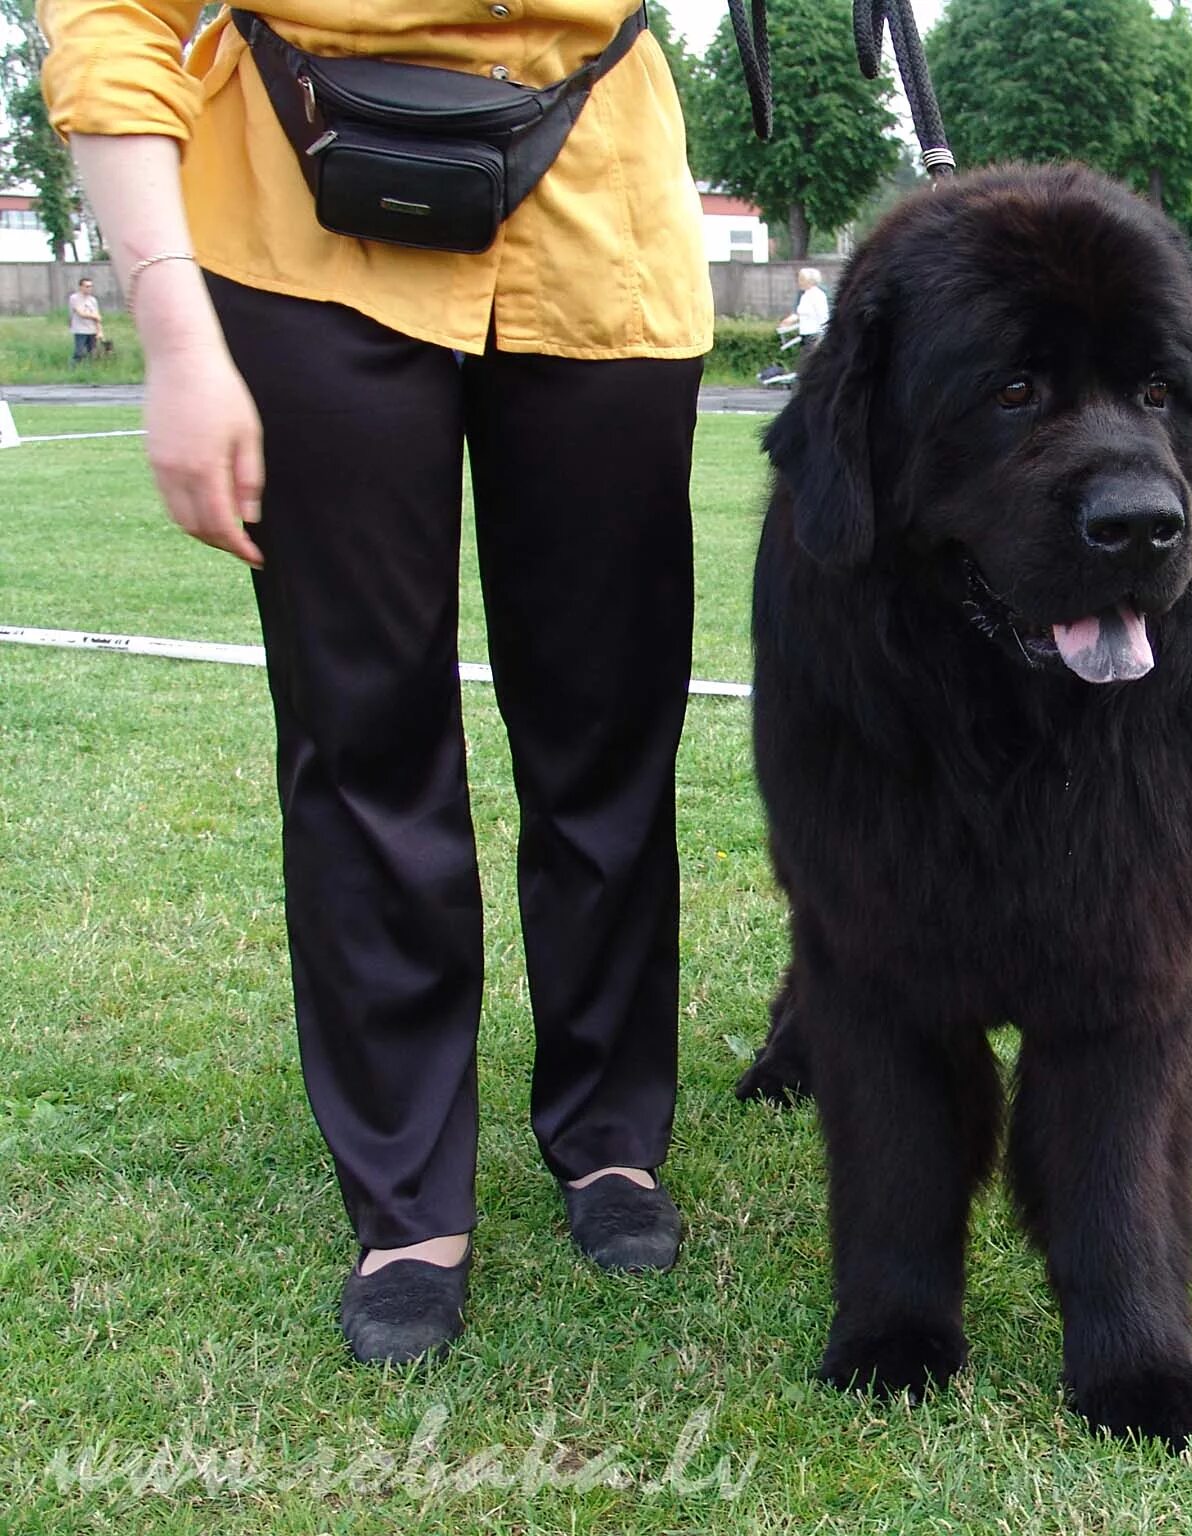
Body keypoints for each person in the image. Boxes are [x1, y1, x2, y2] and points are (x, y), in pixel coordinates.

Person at [44, 0, 715, 1365]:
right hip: (294, 228)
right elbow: (114, 22)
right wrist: (174, 336)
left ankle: (609, 1138)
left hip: (604, 229)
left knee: (610, 724)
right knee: (364, 732)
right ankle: (409, 1199)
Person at [779, 266, 830, 355]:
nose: (799, 282)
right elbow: (800, 314)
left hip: (814, 336)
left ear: (810, 281)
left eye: (802, 279)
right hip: (805, 334)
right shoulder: (805, 295)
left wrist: (821, 337)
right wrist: (787, 322)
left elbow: (823, 317)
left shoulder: (818, 295)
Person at [67, 276, 102, 364]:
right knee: (79, 353)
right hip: (80, 330)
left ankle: (89, 370)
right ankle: (73, 369)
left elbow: (98, 317)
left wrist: (100, 331)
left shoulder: (93, 300)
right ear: (81, 287)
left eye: (91, 286)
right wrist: (94, 316)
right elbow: (81, 314)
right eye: (87, 286)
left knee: (92, 353)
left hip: (92, 330)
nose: (89, 288)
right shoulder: (74, 298)